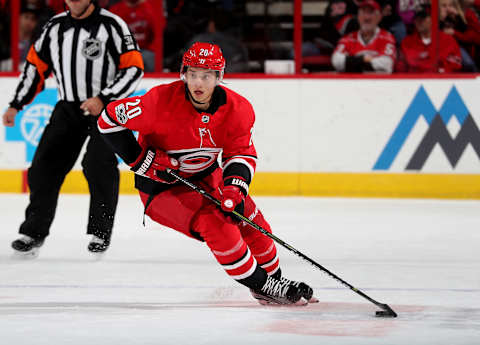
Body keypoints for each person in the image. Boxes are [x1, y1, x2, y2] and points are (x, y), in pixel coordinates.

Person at [97, 42, 317, 305]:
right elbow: (107, 119)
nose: (198, 82)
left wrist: (234, 189)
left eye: (206, 75)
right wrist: (143, 161)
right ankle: (266, 286)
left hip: (208, 177)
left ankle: (272, 284)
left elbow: (241, 154)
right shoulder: (157, 103)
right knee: (217, 224)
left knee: (253, 223)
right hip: (163, 188)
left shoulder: (238, 109)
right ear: (184, 74)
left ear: (219, 77)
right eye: (192, 74)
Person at [2, 0, 144, 257]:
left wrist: (104, 98)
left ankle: (100, 232)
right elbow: (35, 68)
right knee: (43, 168)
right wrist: (16, 104)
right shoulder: (54, 27)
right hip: (68, 108)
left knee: (98, 164)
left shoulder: (112, 25)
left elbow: (134, 68)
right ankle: (33, 232)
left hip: (106, 110)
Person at [331, 0, 397, 73]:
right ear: (358, 17)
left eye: (371, 13)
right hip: (353, 82)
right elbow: (336, 61)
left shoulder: (387, 37)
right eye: (363, 12)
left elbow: (386, 64)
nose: (366, 17)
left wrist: (351, 62)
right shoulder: (348, 39)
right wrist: (364, 59)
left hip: (379, 83)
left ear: (379, 17)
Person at [396, 4, 462, 72]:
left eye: (423, 18)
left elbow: (455, 66)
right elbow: (400, 68)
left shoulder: (448, 41)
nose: (419, 21)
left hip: (441, 81)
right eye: (416, 18)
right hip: (414, 81)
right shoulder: (407, 42)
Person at [109, 0, 160, 72]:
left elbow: (155, 35)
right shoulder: (116, 10)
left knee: (149, 57)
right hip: (122, 50)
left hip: (144, 50)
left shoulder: (149, 9)